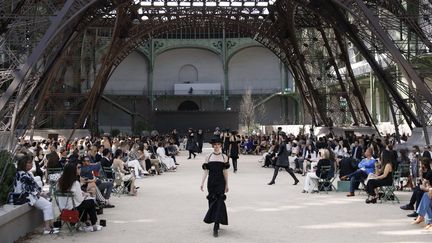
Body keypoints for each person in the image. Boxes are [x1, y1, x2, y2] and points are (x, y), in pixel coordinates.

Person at [13, 152, 58, 235]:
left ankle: (51, 225)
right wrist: (40, 194)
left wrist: (41, 193)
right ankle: (47, 228)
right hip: (25, 197)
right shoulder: (23, 175)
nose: (31, 165)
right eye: (29, 163)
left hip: (29, 195)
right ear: (24, 164)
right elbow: (29, 189)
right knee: (47, 205)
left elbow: (33, 187)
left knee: (49, 201)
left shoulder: (24, 173)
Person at [57, 163, 102, 232]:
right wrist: (85, 195)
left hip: (62, 208)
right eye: (77, 168)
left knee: (87, 203)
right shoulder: (75, 183)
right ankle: (93, 224)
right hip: (72, 208)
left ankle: (83, 221)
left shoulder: (59, 182)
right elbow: (80, 200)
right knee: (90, 202)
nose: (79, 169)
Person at [201, 137, 230, 237]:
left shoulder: (224, 157)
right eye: (215, 145)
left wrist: (227, 184)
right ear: (213, 145)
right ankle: (215, 220)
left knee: (219, 201)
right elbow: (206, 171)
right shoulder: (208, 156)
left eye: (218, 144)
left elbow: (225, 172)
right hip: (211, 182)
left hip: (220, 182)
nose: (216, 146)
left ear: (221, 145)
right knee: (212, 201)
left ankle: (216, 225)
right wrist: (202, 183)